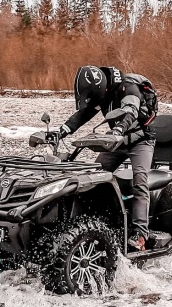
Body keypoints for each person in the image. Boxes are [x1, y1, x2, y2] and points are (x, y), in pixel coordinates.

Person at [58, 65, 158, 251]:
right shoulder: (102, 94)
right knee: (94, 176)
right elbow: (83, 114)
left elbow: (131, 111)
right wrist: (61, 131)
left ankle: (141, 234)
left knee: (140, 180)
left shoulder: (127, 88)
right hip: (116, 142)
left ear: (102, 88)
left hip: (140, 141)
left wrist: (119, 128)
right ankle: (97, 220)